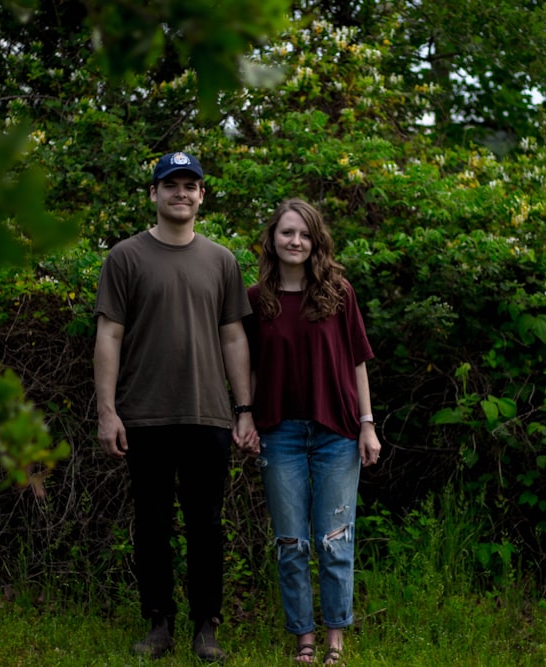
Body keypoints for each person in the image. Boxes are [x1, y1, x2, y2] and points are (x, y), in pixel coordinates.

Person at [93, 151, 258, 662]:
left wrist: (245, 408)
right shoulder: (125, 257)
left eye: (190, 185)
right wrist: (107, 410)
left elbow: (234, 338)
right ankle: (158, 623)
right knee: (152, 523)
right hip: (144, 414)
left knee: (207, 524)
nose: (180, 193)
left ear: (202, 195)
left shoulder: (221, 260)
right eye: (171, 185)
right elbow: (109, 336)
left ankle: (206, 628)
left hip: (208, 414)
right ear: (154, 194)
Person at [241, 198, 382, 665]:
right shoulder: (255, 300)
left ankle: (335, 639)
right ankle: (303, 636)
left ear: (315, 240)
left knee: (334, 539)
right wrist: (246, 416)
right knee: (291, 543)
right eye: (286, 233)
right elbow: (252, 369)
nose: (295, 241)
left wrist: (367, 425)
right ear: (272, 239)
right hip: (279, 432)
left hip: (336, 430)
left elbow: (358, 361)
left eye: (303, 234)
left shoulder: (338, 293)